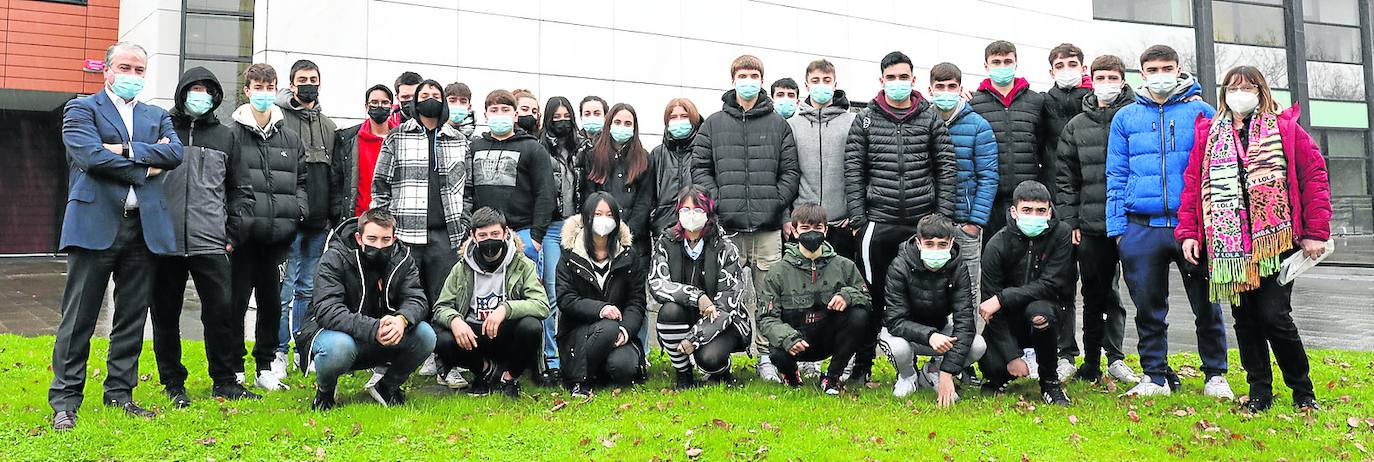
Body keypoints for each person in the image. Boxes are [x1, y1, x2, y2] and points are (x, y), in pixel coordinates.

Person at [1177, 66, 1330, 412]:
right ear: (1223, 94)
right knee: (1245, 321)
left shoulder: (1286, 129)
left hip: (1276, 243)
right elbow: (1192, 186)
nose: (1239, 94)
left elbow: (1314, 178)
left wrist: (1316, 232)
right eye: (1233, 88)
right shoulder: (1209, 134)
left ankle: (1303, 392)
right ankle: (1259, 392)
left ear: (1261, 92)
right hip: (1229, 247)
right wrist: (1188, 233)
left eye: (1247, 87)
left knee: (1274, 316)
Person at [49, 42, 184, 430]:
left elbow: (174, 155)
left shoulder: (157, 115)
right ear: (107, 70)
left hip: (143, 228)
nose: (132, 76)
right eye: (125, 68)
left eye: (139, 70)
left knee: (131, 317)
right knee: (79, 316)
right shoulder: (81, 109)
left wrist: (122, 149)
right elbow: (89, 157)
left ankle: (120, 394)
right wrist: (145, 164)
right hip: (94, 224)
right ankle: (65, 401)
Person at [1108, 45, 1232, 399]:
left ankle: (1215, 374)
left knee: (1206, 304)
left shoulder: (1202, 111)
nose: (1160, 75)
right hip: (1141, 226)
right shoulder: (1125, 118)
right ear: (1142, 74)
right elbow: (1116, 175)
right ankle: (1155, 376)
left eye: (1167, 68)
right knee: (1148, 308)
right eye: (1153, 69)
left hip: (1191, 226)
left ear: (1179, 70)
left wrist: (1213, 225)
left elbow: (1217, 171)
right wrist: (1118, 230)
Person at [843, 51, 956, 384]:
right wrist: (859, 219)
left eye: (903, 77)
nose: (897, 83)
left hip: (922, 224)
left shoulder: (930, 118)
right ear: (882, 81)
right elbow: (854, 170)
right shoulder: (865, 119)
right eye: (891, 78)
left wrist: (942, 218)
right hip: (879, 221)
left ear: (913, 79)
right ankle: (863, 364)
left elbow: (946, 168)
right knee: (872, 296)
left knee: (926, 295)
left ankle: (931, 366)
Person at [149, 66, 258, 407]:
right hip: (165, 242)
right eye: (194, 89)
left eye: (207, 90)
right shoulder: (160, 129)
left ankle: (225, 381)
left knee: (221, 313)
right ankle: (172, 382)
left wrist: (232, 233)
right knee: (165, 315)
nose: (201, 95)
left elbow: (241, 190)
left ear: (215, 96)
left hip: (211, 241)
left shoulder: (227, 137)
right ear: (182, 92)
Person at [692, 54, 801, 379]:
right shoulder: (713, 124)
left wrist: (773, 204)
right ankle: (719, 355)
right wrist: (720, 203)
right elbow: (700, 169)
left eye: (754, 75)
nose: (748, 81)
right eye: (742, 75)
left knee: (769, 298)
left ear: (762, 80)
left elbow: (790, 173)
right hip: (727, 229)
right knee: (724, 294)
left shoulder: (779, 125)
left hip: (767, 229)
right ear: (733, 80)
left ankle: (766, 357)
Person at [369, 79, 472, 388]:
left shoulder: (459, 140)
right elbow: (380, 185)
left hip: (446, 235)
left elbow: (469, 189)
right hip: (405, 233)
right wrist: (384, 227)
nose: (430, 99)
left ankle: (445, 364)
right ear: (414, 101)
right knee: (398, 298)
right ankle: (388, 363)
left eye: (435, 95)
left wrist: (465, 220)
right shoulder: (397, 136)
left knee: (445, 301)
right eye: (424, 95)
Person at [1054, 54, 1141, 384]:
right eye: (1100, 78)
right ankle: (1091, 362)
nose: (1106, 84)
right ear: (1092, 81)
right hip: (1091, 224)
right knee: (1093, 294)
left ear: (1123, 80)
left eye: (1112, 77)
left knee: (1137, 294)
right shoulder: (1076, 126)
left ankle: (1120, 358)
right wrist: (1071, 221)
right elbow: (1066, 178)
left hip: (1132, 223)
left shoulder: (1137, 116)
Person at [294, 209, 436, 410]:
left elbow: (417, 298)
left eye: (386, 240)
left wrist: (402, 319)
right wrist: (373, 328)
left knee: (426, 335)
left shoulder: (403, 258)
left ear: (394, 238)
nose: (379, 246)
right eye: (372, 239)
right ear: (359, 238)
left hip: (384, 334)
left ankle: (387, 387)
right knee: (338, 348)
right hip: (338, 335)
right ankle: (325, 391)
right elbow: (327, 309)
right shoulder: (334, 257)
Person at [228, 62, 306, 392]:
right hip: (242, 238)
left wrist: (297, 211)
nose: (264, 93)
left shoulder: (290, 137)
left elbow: (301, 181)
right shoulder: (231, 134)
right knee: (234, 305)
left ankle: (265, 366)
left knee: (272, 305)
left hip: (277, 239)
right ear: (247, 91)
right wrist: (232, 226)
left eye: (269, 87)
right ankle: (234, 367)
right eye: (257, 87)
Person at [431, 207, 550, 398]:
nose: (489, 240)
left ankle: (509, 378)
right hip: (474, 335)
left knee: (532, 326)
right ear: (473, 237)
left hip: (506, 333)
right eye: (483, 235)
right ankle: (485, 372)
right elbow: (440, 307)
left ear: (505, 233)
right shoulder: (461, 268)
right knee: (440, 337)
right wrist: (455, 320)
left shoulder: (523, 264)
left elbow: (542, 305)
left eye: (495, 234)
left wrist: (506, 309)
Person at [977, 181, 1075, 406]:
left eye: (1041, 211)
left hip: (1044, 310)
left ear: (1049, 212)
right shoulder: (996, 244)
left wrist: (1003, 298)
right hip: (1007, 319)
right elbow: (988, 305)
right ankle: (998, 378)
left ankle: (1050, 383)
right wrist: (1012, 355)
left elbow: (1052, 284)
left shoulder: (1061, 234)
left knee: (1040, 314)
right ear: (1014, 212)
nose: (1034, 216)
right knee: (992, 365)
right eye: (1027, 210)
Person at [757, 203, 871, 395]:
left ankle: (832, 377)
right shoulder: (777, 272)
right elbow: (766, 318)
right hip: (795, 339)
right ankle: (791, 376)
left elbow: (866, 298)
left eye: (817, 228)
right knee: (777, 350)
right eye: (805, 228)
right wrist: (787, 338)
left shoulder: (844, 266)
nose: (812, 233)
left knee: (859, 316)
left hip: (828, 337)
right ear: (794, 231)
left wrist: (847, 296)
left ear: (826, 230)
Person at [650, 186, 752, 389]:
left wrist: (694, 339)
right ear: (678, 212)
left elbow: (727, 304)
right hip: (684, 313)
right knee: (668, 312)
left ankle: (721, 369)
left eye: (698, 210)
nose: (691, 215)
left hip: (722, 319)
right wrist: (697, 297)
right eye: (685, 209)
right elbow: (658, 284)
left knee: (709, 358)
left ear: (708, 212)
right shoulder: (666, 242)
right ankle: (683, 372)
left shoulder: (725, 247)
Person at [275, 59, 340, 378]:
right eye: (303, 79)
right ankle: (278, 352)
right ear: (291, 84)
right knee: (283, 291)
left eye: (313, 79)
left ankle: (304, 349)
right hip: (288, 220)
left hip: (318, 223)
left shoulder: (329, 126)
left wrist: (331, 216)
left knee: (307, 290)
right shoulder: (279, 119)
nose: (309, 84)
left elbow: (333, 175)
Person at [879, 215, 985, 405]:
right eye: (929, 244)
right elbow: (894, 320)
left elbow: (965, 323)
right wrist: (929, 335)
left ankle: (934, 371)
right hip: (904, 334)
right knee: (899, 349)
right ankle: (908, 376)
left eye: (942, 244)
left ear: (951, 243)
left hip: (941, 330)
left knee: (978, 345)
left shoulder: (959, 268)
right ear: (919, 242)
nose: (935, 250)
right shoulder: (899, 266)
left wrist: (948, 372)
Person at [556, 192, 647, 398]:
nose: (603, 220)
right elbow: (565, 299)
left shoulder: (628, 255)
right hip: (579, 333)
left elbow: (636, 301)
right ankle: (580, 380)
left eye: (609, 215)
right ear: (587, 217)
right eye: (598, 214)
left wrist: (625, 331)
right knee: (607, 327)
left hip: (617, 330)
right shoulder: (569, 255)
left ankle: (600, 370)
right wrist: (601, 309)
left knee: (624, 367)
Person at [928, 62, 998, 304]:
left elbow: (988, 177)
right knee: (930, 292)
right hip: (928, 224)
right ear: (930, 89)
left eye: (951, 86)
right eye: (940, 87)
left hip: (964, 224)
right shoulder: (922, 122)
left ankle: (966, 330)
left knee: (967, 290)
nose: (945, 92)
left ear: (960, 89)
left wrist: (975, 222)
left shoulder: (979, 126)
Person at [468, 89, 555, 275]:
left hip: (522, 233)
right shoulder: (474, 147)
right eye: (494, 110)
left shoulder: (533, 148)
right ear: (485, 115)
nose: (500, 114)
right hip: (484, 233)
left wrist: (536, 238)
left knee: (525, 288)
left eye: (505, 110)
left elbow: (546, 194)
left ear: (515, 115)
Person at [969, 40, 1048, 242]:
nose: (1002, 66)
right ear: (986, 66)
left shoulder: (1036, 101)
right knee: (993, 254)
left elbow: (1042, 146)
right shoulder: (973, 103)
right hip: (991, 199)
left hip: (1029, 200)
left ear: (1016, 64)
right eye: (996, 62)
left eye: (1007, 61)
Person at [536, 95, 586, 384]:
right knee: (552, 292)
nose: (562, 120)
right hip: (552, 227)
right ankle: (551, 358)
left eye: (566, 115)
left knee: (578, 292)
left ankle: (576, 354)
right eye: (556, 116)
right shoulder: (540, 148)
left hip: (578, 226)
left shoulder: (583, 148)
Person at [789, 59, 857, 259]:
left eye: (827, 80)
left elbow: (862, 170)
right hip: (802, 224)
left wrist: (856, 213)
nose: (821, 85)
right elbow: (784, 173)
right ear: (806, 85)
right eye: (815, 80)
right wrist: (787, 216)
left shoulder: (852, 122)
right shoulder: (792, 125)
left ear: (835, 84)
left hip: (841, 224)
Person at [578, 102, 654, 256]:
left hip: (636, 243)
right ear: (609, 124)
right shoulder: (593, 156)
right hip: (599, 237)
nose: (622, 127)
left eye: (628, 124)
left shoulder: (644, 158)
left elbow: (644, 202)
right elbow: (589, 196)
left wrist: (626, 234)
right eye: (617, 122)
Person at [331, 84, 394, 221]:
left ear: (391, 107)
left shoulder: (399, 139)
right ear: (366, 106)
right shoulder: (348, 138)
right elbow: (336, 180)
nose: (379, 106)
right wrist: (337, 215)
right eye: (374, 102)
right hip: (356, 219)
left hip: (390, 221)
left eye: (384, 102)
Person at [649, 98, 703, 236]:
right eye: (673, 117)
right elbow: (649, 196)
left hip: (698, 229)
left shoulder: (703, 151)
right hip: (664, 230)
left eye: (684, 116)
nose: (679, 121)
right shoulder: (657, 154)